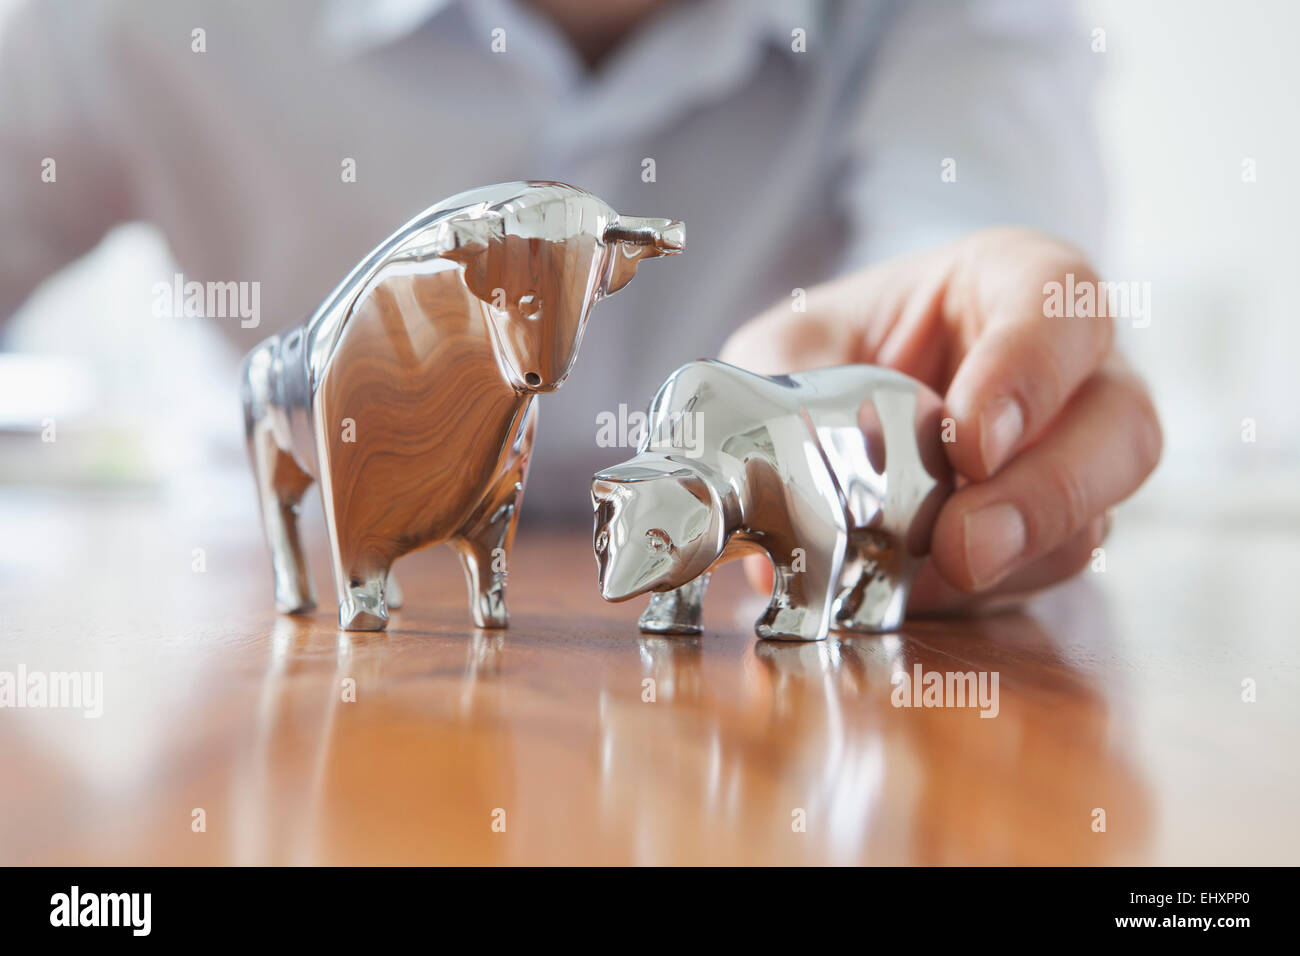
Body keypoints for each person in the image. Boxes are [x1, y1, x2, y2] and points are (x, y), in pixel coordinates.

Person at [0, 0, 1160, 614]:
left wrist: (965, 405)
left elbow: (964, 278)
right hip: (253, 604)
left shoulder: (966, 18)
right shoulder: (119, 15)